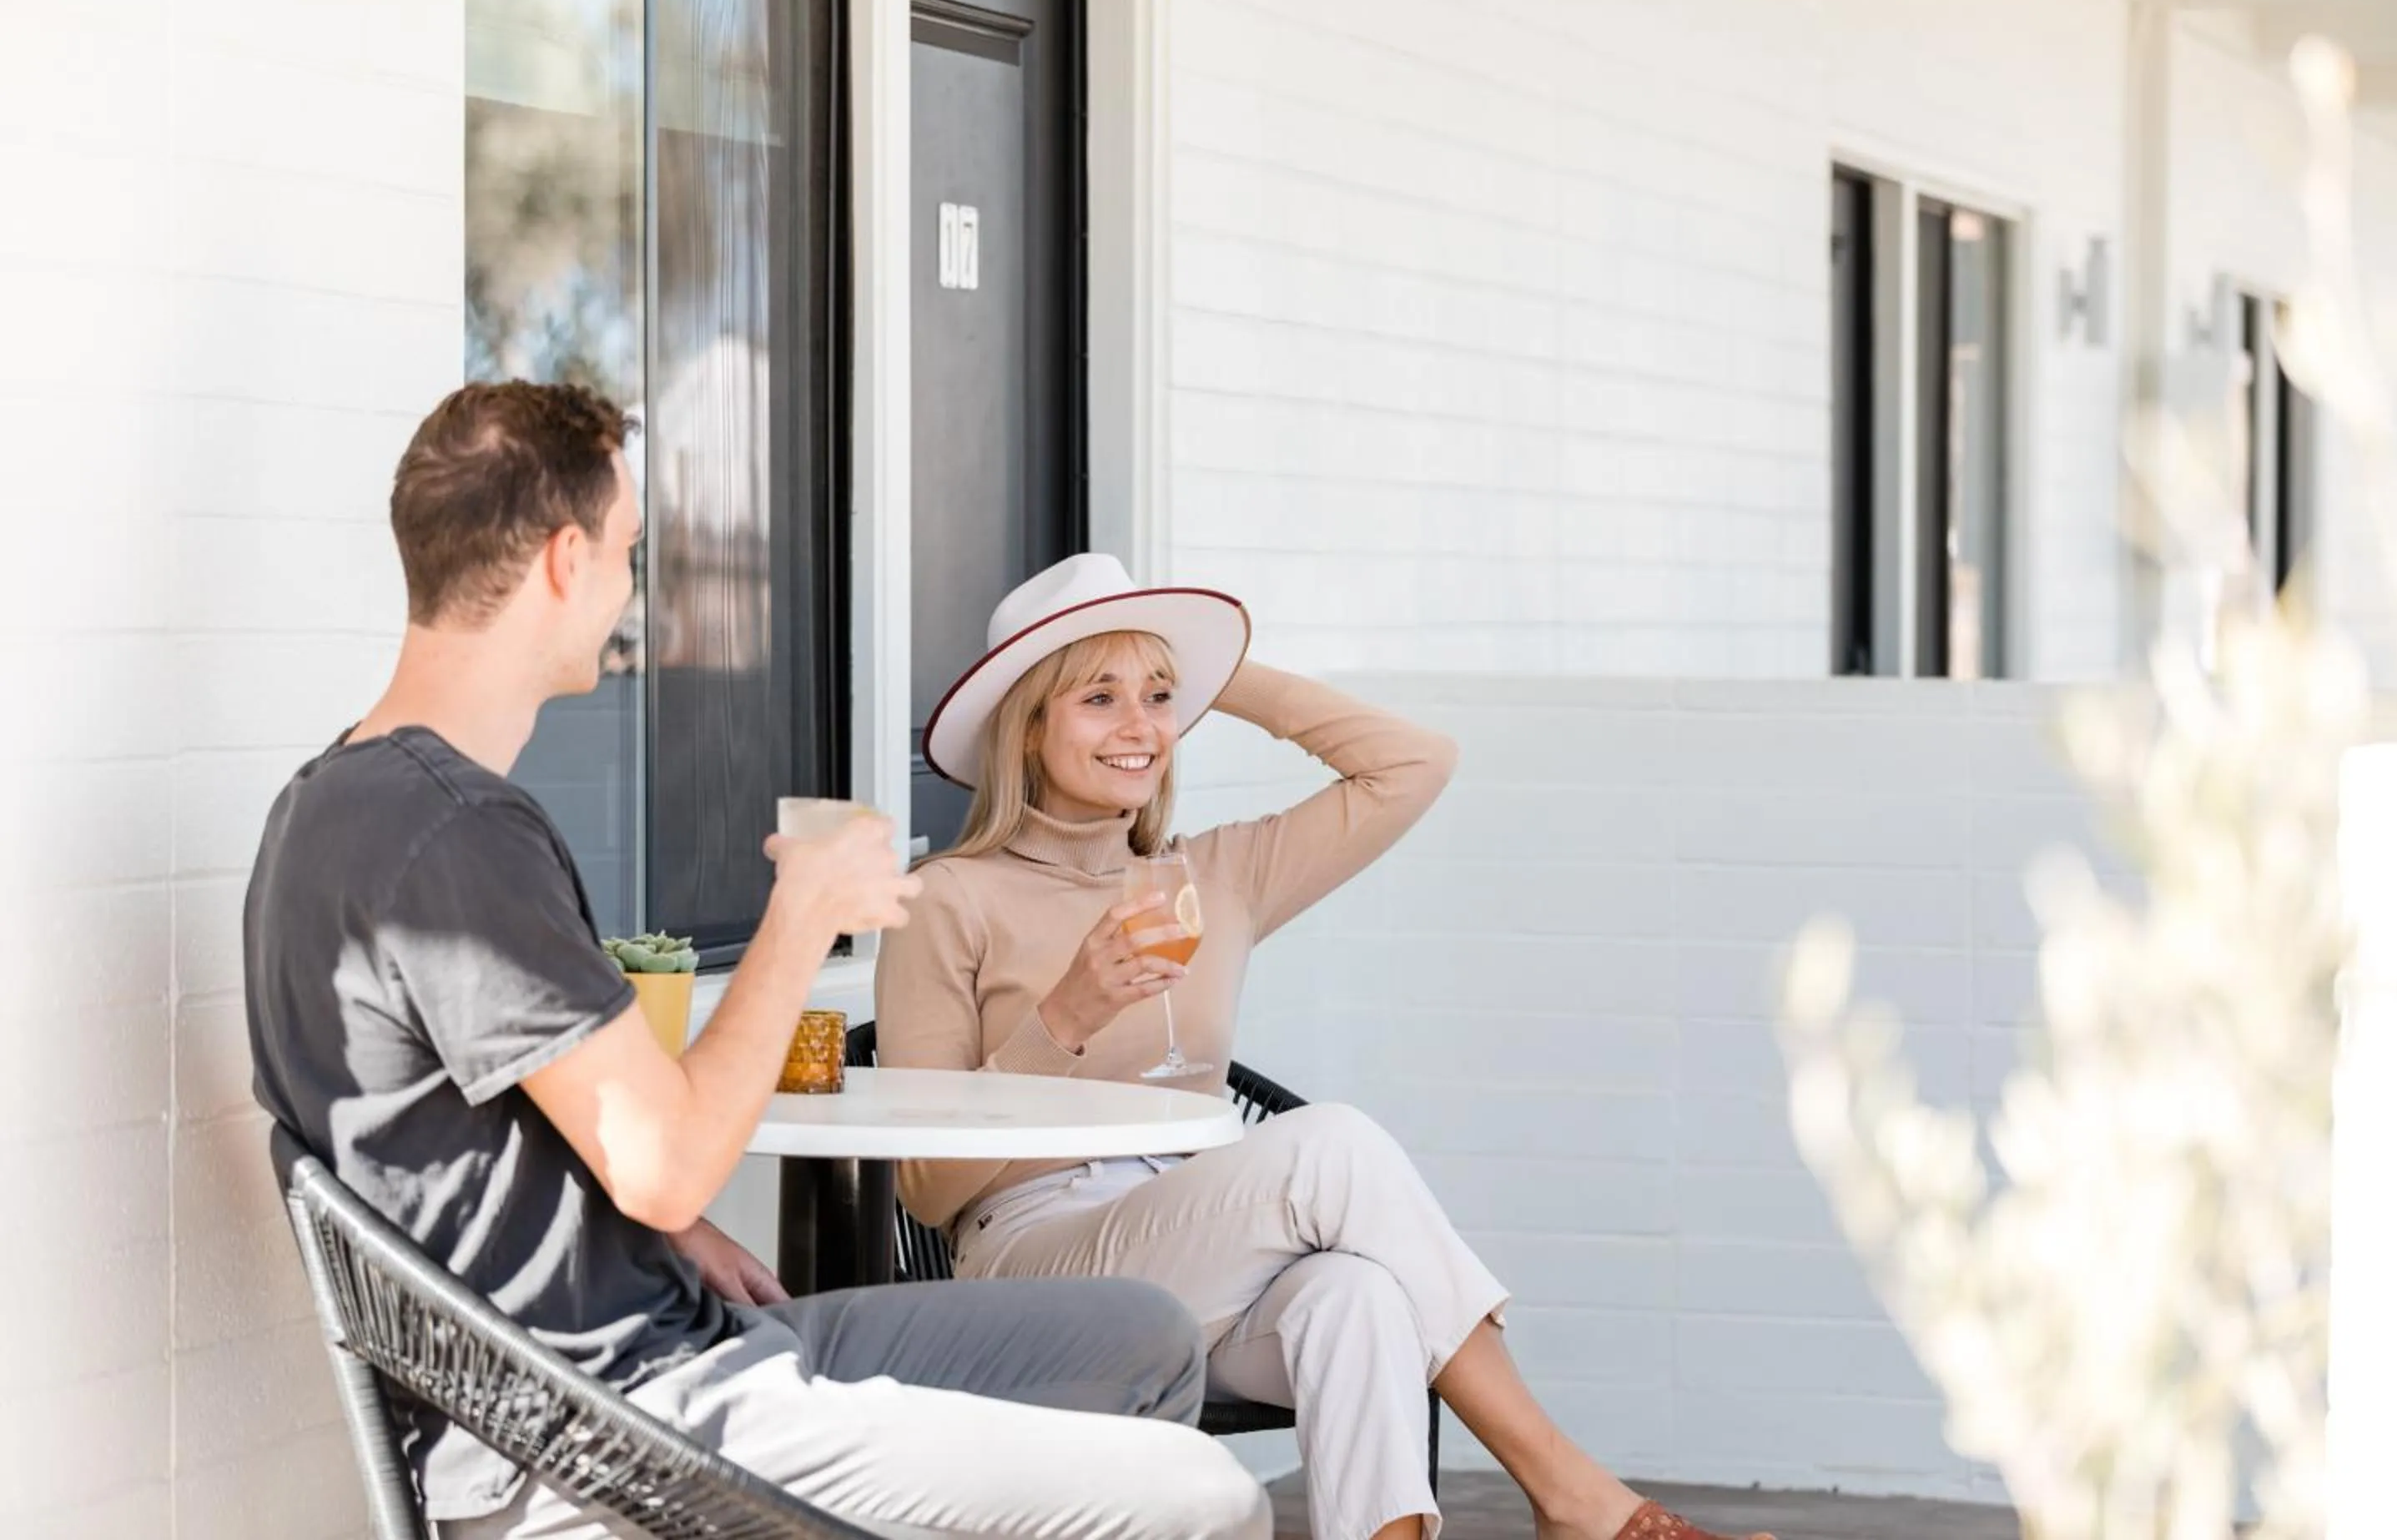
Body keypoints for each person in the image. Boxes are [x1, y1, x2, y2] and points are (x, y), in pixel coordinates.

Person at [245, 384, 1268, 1540]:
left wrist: (678, 1238)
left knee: (1142, 1337)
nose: (636, 590)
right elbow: (667, 1162)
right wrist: (802, 918)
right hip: (617, 1427)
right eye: (631, 554)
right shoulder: (454, 832)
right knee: (1212, 1499)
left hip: (677, 1342)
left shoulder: (335, 800)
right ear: (565, 561)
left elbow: (503, 1125)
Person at [874, 553, 1772, 1540]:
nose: (1141, 729)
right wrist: (1066, 1017)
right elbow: (927, 1185)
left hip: (1198, 1247)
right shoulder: (944, 898)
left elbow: (1414, 761)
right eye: (1099, 697)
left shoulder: (1214, 874)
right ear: (1028, 723)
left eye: (1161, 697)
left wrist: (1220, 677)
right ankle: (1569, 1492)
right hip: (1038, 1271)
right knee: (1331, 1141)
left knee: (1360, 1296)